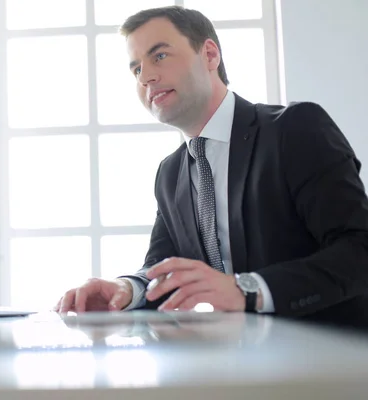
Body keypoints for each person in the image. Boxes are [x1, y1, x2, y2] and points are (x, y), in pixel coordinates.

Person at [54, 6, 368, 329]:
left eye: (159, 56)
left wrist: (246, 290)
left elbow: (359, 248)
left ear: (209, 55)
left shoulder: (295, 129)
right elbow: (161, 268)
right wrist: (125, 289)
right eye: (136, 69)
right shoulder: (170, 174)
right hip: (237, 365)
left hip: (336, 361)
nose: (146, 76)